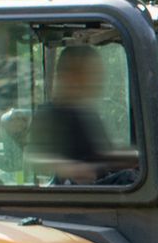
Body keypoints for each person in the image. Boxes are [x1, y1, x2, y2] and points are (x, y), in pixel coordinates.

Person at [28, 43, 136, 183]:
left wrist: (134, 156)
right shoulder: (48, 114)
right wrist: (69, 168)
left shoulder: (86, 114)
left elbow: (101, 156)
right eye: (91, 73)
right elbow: (33, 157)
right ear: (70, 75)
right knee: (128, 179)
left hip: (96, 190)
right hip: (71, 194)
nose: (97, 80)